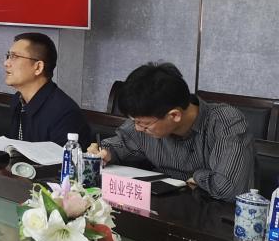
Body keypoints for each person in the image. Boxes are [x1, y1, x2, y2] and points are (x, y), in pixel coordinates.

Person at [89, 62, 255, 201]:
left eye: (143, 124)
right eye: (134, 121)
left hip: (212, 218)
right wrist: (105, 153)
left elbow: (229, 188)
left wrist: (197, 176)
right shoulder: (147, 118)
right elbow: (120, 145)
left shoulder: (226, 122)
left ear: (174, 115)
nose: (138, 128)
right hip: (163, 208)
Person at [4, 32, 91, 146]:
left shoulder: (65, 114)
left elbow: (62, 157)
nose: (6, 63)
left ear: (38, 67)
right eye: (8, 56)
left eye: (14, 57)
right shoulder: (18, 100)